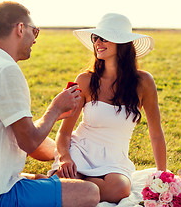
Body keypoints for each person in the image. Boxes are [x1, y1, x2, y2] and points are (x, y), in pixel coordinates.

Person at [0, 1, 100, 207]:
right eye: (35, 31)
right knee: (88, 192)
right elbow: (29, 142)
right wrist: (55, 109)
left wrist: (65, 153)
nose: (35, 39)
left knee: (46, 180)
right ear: (20, 28)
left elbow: (28, 141)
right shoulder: (7, 71)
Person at [48, 13, 167, 203]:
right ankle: (68, 185)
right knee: (66, 179)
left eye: (104, 38)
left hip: (114, 161)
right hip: (80, 151)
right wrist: (64, 158)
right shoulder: (85, 81)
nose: (98, 43)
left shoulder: (144, 82)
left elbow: (155, 133)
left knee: (119, 189)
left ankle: (74, 187)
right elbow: (64, 133)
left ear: (123, 43)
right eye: (96, 38)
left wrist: (163, 175)